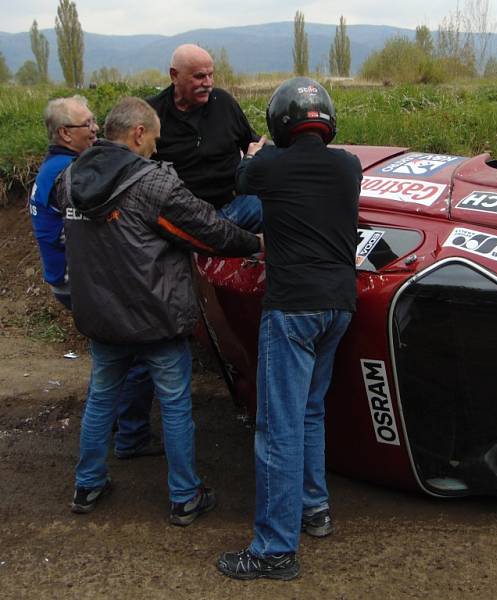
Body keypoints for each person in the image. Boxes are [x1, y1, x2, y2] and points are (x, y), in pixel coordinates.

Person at [54, 97, 262, 524]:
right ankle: (184, 494)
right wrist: (256, 243)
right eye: (154, 139)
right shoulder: (153, 185)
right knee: (174, 405)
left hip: (101, 318)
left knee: (100, 400)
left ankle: (87, 483)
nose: (156, 148)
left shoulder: (70, 178)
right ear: (136, 134)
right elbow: (209, 232)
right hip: (155, 318)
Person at [217, 77, 361, 581]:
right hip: (339, 306)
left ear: (280, 123)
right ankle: (314, 509)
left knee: (276, 426)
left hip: (293, 307)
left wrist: (255, 151)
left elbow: (240, 182)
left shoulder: (269, 165)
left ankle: (275, 549)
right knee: (310, 411)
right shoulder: (348, 165)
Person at [29, 95, 161, 460]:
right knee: (136, 355)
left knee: (114, 358)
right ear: (62, 133)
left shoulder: (56, 166)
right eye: (85, 124)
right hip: (80, 279)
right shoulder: (71, 173)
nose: (94, 129)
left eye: (93, 121)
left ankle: (117, 423)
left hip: (65, 276)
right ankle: (131, 434)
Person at [147, 44, 262, 231]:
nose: (208, 83)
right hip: (184, 218)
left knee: (280, 209)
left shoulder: (224, 103)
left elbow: (253, 143)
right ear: (174, 75)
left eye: (211, 75)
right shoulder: (152, 115)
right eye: (200, 76)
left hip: (234, 206)